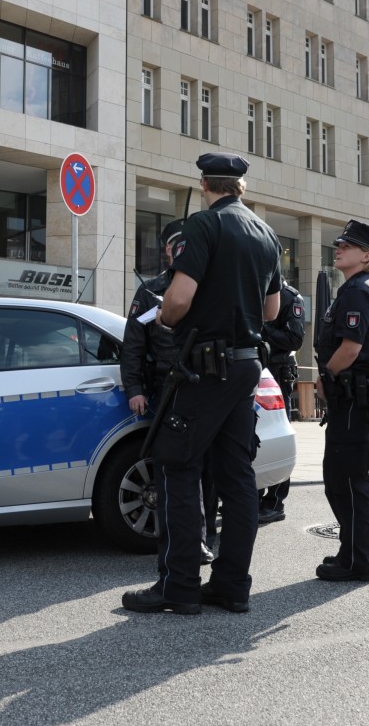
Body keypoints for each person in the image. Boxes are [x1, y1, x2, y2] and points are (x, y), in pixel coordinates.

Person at [122, 152, 281, 615]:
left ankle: (179, 586)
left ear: (204, 185)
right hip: (246, 364)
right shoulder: (266, 233)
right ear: (240, 187)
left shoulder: (201, 226)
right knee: (236, 476)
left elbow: (178, 299)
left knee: (178, 466)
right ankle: (232, 585)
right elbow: (271, 312)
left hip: (205, 367)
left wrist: (169, 316)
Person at [121, 219, 217, 564]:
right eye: (175, 245)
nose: (181, 251)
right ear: (167, 250)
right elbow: (132, 346)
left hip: (203, 388)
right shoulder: (150, 292)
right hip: (165, 390)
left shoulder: (205, 287)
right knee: (170, 468)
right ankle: (172, 540)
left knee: (206, 467)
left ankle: (203, 539)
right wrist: (134, 388)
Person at [314, 219, 369, 583]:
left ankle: (361, 561)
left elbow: (351, 348)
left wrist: (325, 376)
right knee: (341, 479)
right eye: (339, 244)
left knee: (348, 481)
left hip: (355, 396)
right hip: (354, 397)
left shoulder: (359, 291)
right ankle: (352, 553)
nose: (339, 249)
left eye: (347, 246)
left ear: (366, 255)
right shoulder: (356, 287)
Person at [258, 279, 305, 524]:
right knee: (254, 436)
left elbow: (295, 339)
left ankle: (274, 502)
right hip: (256, 371)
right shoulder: (254, 290)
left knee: (276, 434)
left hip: (277, 372)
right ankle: (254, 497)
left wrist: (262, 327)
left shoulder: (289, 297)